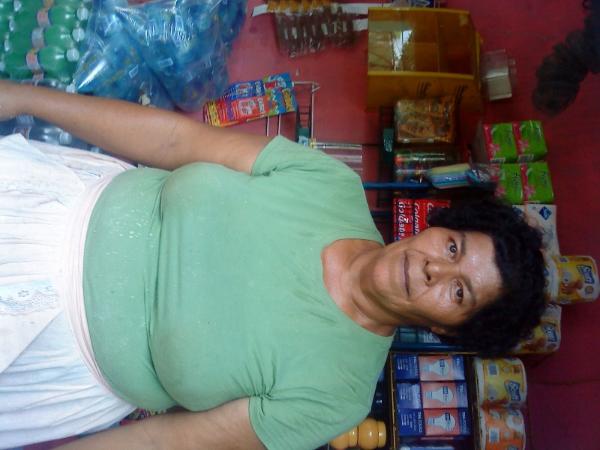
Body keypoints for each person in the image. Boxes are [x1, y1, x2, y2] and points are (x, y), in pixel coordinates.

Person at [0, 80, 546, 450]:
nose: (435, 270)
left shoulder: (336, 398)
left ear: (446, 329)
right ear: (438, 227)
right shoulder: (332, 185)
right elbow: (174, 139)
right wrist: (26, 97)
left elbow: (166, 441)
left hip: (47, 364)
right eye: (453, 248)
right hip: (38, 205)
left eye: (458, 293)